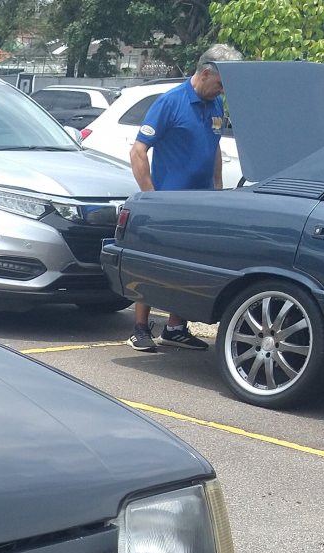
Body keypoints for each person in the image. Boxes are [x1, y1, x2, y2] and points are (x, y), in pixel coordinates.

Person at [126, 44, 243, 353]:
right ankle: (140, 328)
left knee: (188, 266)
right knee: (152, 263)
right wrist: (150, 197)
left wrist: (217, 188)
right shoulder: (170, 103)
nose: (222, 91)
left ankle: (175, 328)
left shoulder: (215, 105)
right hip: (167, 203)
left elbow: (214, 147)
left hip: (201, 203)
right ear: (204, 73)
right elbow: (138, 151)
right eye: (220, 83)